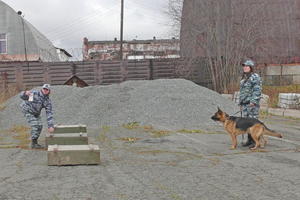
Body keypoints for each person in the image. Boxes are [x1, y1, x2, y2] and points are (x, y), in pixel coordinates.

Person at [20, 84, 54, 149]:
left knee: (40, 126)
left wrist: (50, 126)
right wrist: (25, 93)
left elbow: (49, 114)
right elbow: (23, 97)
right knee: (35, 125)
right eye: (44, 89)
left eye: (47, 90)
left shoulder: (47, 101)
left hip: (36, 113)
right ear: (42, 89)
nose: (45, 90)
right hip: (27, 110)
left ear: (49, 91)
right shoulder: (34, 94)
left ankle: (35, 143)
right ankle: (33, 143)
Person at [239, 59, 262, 148]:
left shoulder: (255, 77)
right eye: (244, 66)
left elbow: (257, 90)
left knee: (253, 123)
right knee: (247, 123)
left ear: (251, 68)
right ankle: (249, 140)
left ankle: (255, 141)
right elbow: (243, 92)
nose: (245, 67)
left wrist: (253, 101)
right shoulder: (245, 77)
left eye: (247, 66)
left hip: (251, 104)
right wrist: (240, 103)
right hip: (245, 104)